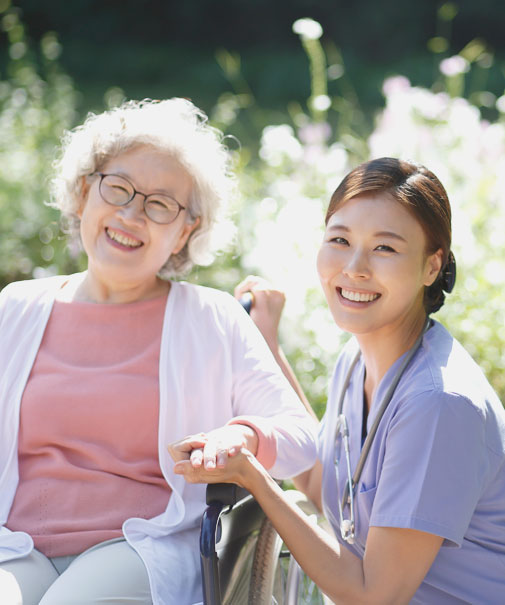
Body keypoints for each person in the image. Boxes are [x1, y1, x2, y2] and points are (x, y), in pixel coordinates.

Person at [0, 98, 318, 605]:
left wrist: (242, 434)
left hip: (136, 546)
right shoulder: (16, 309)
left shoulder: (212, 319)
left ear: (185, 230)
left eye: (160, 205)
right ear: (85, 192)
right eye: (118, 189)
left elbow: (303, 439)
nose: (131, 215)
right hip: (15, 548)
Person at [171, 157, 505, 604]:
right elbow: (324, 483)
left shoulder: (438, 403)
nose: (354, 267)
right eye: (340, 240)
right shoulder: (357, 359)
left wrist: (254, 478)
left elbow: (373, 596)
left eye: (385, 248)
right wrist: (268, 346)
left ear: (431, 266)